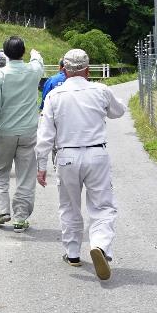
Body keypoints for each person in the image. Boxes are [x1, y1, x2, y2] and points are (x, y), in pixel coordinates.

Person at [35, 48, 126, 280]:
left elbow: (45, 135)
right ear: (88, 68)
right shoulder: (101, 90)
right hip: (96, 154)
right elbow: (118, 112)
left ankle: (73, 253)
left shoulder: (54, 96)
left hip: (66, 156)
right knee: (103, 206)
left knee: (69, 205)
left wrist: (41, 166)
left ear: (64, 70)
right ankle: (100, 245)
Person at [0, 36, 44, 231]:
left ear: (5, 54)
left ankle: (2, 211)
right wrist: (35, 53)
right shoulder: (33, 71)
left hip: (3, 132)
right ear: (22, 53)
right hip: (28, 133)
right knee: (25, 176)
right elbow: (38, 61)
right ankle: (20, 218)